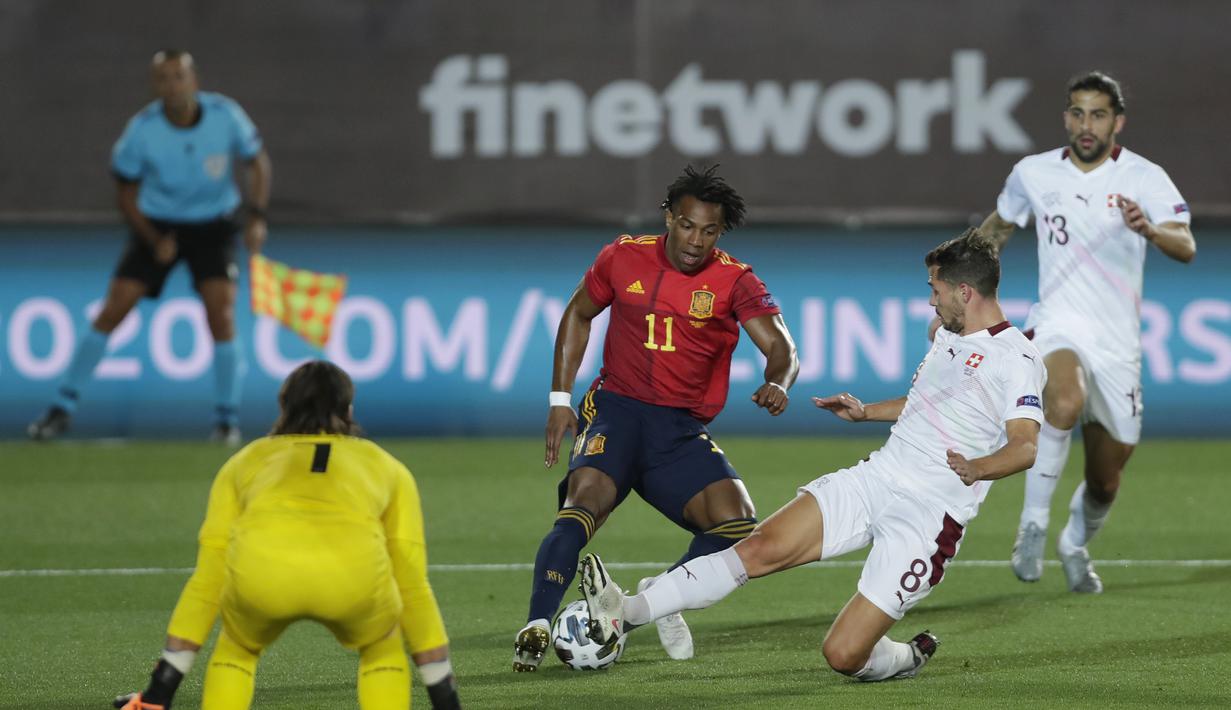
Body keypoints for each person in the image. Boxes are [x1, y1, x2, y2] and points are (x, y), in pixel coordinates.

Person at [580, 228, 1045, 682]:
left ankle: (907, 655)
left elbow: (1024, 445)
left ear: (965, 291)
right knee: (759, 549)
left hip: (929, 514)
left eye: (936, 289)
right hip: (878, 478)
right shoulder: (948, 334)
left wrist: (977, 468)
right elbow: (930, 404)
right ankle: (625, 613)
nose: (930, 300)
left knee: (843, 655)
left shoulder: (1017, 360)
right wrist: (866, 413)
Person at [512, 165, 800, 671]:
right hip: (616, 412)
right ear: (669, 217)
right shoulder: (622, 257)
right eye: (687, 225)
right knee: (583, 507)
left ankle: (655, 598)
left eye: (709, 231)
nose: (696, 240)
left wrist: (778, 381)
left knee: (737, 527)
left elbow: (781, 345)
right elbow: (579, 313)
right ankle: (536, 625)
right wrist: (560, 400)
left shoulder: (735, 280)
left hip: (678, 430)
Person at [113, 361, 460, 710]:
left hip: (263, 579)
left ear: (283, 408)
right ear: (349, 409)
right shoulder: (387, 466)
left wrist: (160, 692)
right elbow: (412, 584)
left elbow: (208, 579)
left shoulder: (245, 461)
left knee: (237, 645)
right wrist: (446, 701)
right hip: (352, 582)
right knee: (382, 644)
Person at [981, 72, 1196, 592]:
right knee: (1063, 399)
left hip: (1118, 346)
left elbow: (1185, 244)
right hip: (1058, 324)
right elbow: (996, 228)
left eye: (1098, 114)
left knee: (1105, 479)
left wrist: (1150, 228)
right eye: (1077, 112)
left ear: (1117, 122)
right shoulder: (1034, 173)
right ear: (1065, 117)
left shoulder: (1145, 178)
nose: (1086, 124)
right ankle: (1032, 525)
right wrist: (955, 285)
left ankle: (1073, 541)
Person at [28, 49, 272, 445]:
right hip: (159, 224)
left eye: (179, 76)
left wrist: (257, 216)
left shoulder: (226, 116)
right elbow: (125, 191)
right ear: (154, 85)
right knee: (114, 308)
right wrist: (154, 239)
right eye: (163, 78)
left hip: (214, 226)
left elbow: (257, 161)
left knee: (221, 313)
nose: (172, 86)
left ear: (194, 80)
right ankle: (61, 407)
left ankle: (226, 420)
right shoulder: (142, 131)